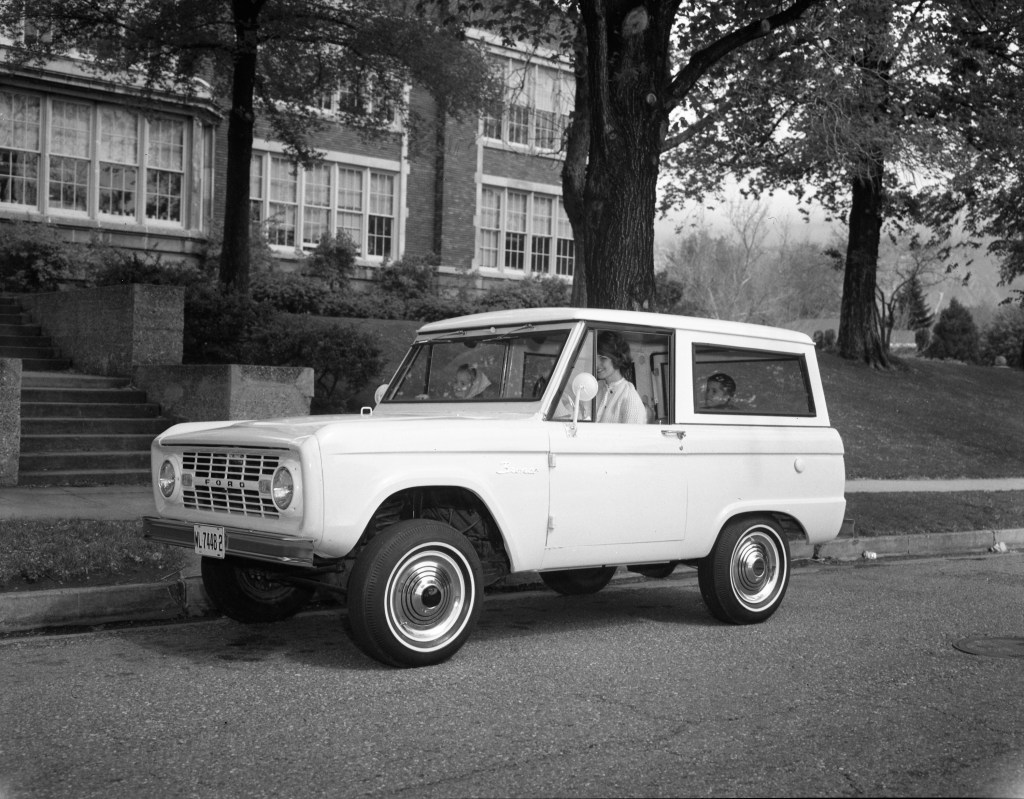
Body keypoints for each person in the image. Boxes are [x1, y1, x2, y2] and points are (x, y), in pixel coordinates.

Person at [594, 331, 647, 424]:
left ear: (617, 358)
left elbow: (632, 437)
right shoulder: (595, 388)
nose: (596, 363)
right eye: (595, 357)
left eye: (603, 358)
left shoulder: (629, 396)